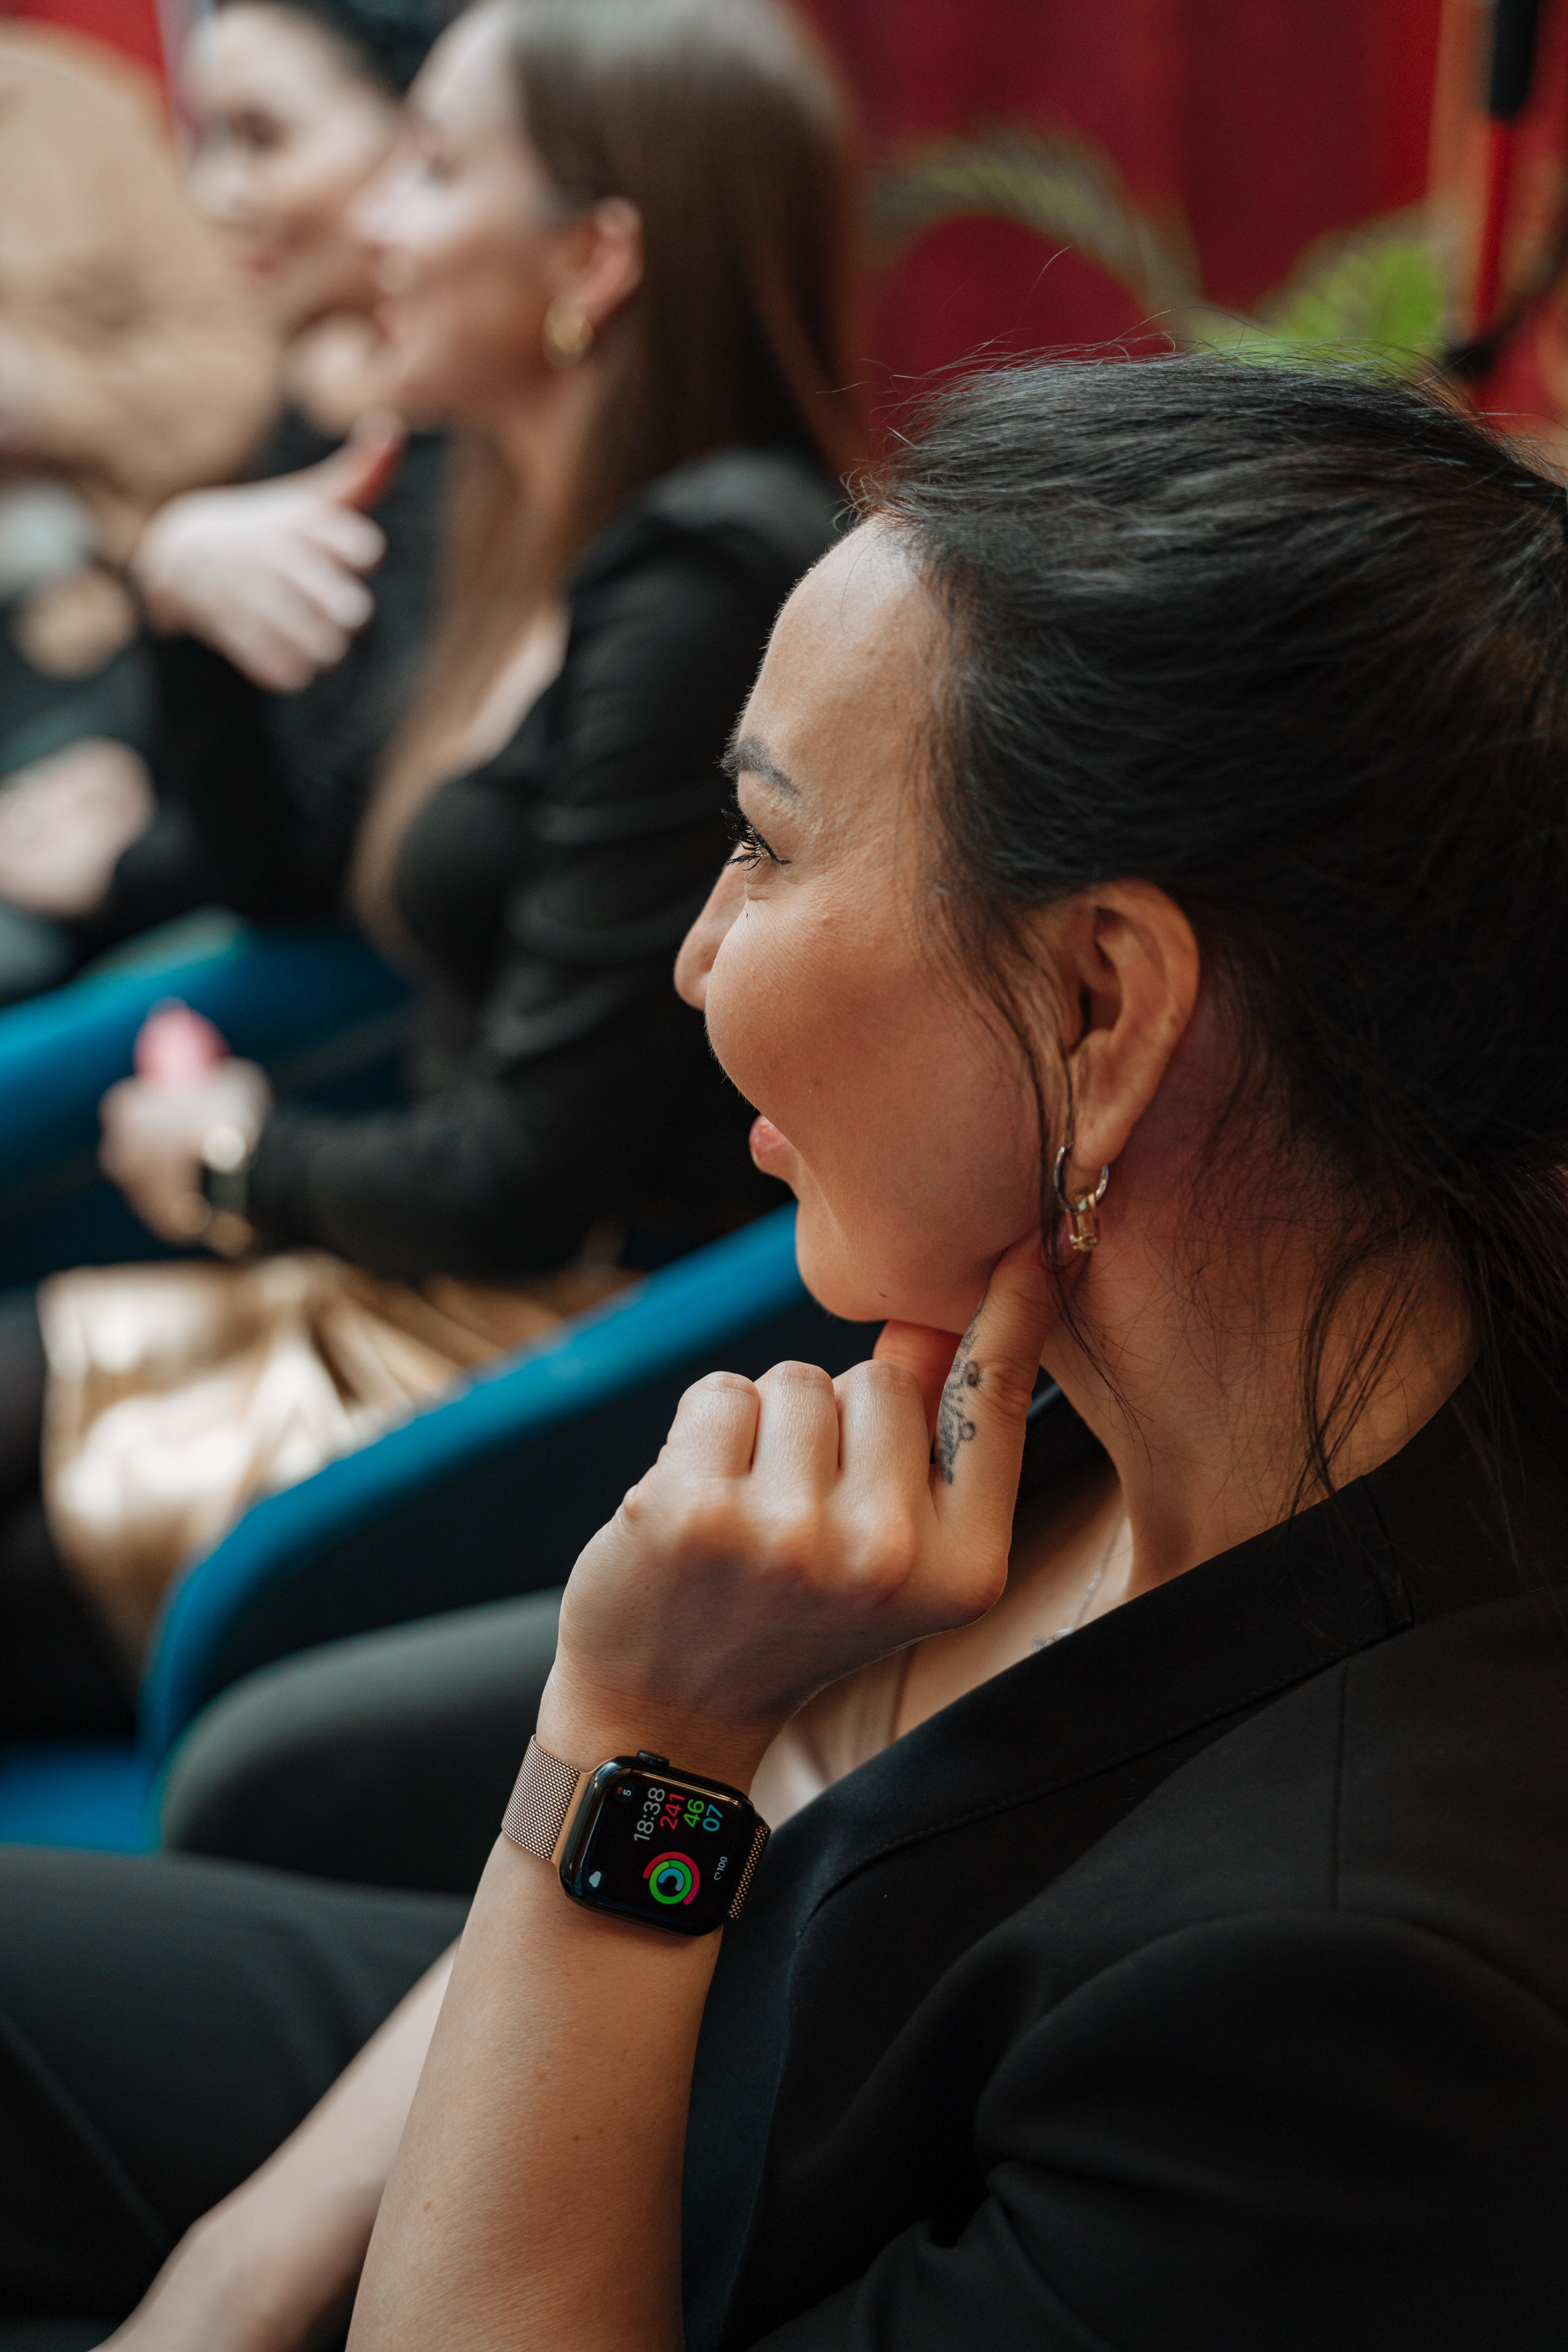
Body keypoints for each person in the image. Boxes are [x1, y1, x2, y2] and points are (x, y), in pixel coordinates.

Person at [7, 352, 1568, 2348]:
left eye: (759, 845)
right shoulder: (1131, 1363)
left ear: (1104, 1005)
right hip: (674, 2041)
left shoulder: (1358, 2001)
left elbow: (650, 1886)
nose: (692, 958)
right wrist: (232, 2275)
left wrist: (636, 1748)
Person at [0, 0, 859, 1743]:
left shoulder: (710, 584)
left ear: (596, 255)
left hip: (513, 1365)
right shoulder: (509, 507)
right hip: (380, 1279)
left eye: (437, 170)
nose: (376, 221)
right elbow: (302, 883)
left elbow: (528, 1178)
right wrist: (181, 596)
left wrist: (239, 1159)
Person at [0, 0, 453, 967]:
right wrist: (127, 766)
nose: (211, 194)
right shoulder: (327, 380)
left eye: (262, 137)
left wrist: (122, 866)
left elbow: (338, 824)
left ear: (434, 134)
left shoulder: (458, 428)